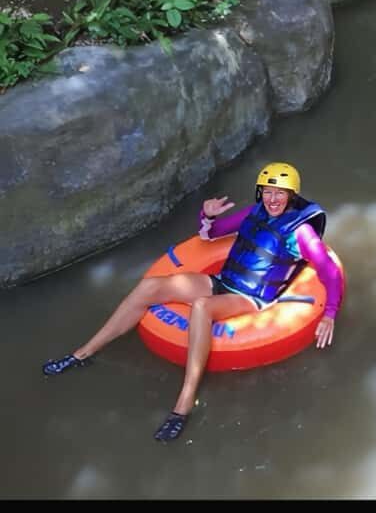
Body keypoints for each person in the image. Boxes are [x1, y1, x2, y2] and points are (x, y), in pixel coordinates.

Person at [41, 162, 345, 442]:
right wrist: (207, 215)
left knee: (202, 306)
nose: (273, 199)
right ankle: (83, 353)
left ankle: (184, 403)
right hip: (223, 281)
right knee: (149, 287)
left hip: (252, 299)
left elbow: (329, 272)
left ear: (292, 196)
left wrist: (329, 313)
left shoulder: (302, 232)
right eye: (268, 192)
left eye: (280, 193)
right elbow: (212, 234)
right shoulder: (255, 213)